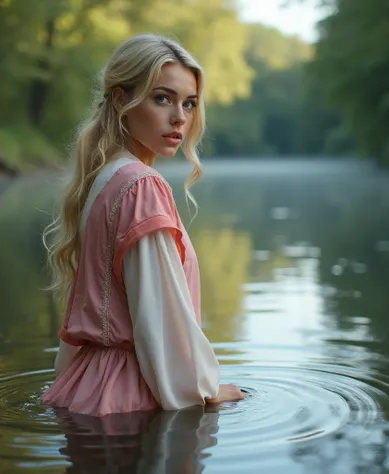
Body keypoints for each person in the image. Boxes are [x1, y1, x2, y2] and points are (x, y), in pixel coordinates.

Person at [41, 33, 245, 417]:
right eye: (162, 98)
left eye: (189, 104)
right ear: (121, 100)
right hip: (130, 399)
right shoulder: (140, 186)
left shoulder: (104, 179)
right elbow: (159, 321)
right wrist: (205, 390)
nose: (180, 118)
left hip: (85, 389)